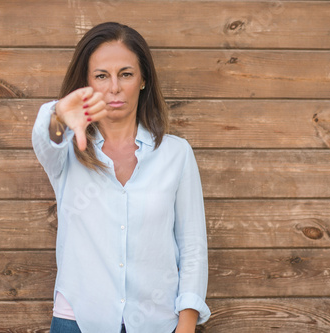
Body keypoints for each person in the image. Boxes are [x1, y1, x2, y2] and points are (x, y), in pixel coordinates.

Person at [32, 22, 210, 333]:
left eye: (125, 74)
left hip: (159, 323)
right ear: (86, 82)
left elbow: (192, 246)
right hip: (78, 321)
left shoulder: (176, 154)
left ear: (143, 80)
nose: (114, 87)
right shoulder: (67, 152)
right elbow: (47, 140)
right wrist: (59, 116)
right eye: (101, 75)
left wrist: (187, 324)